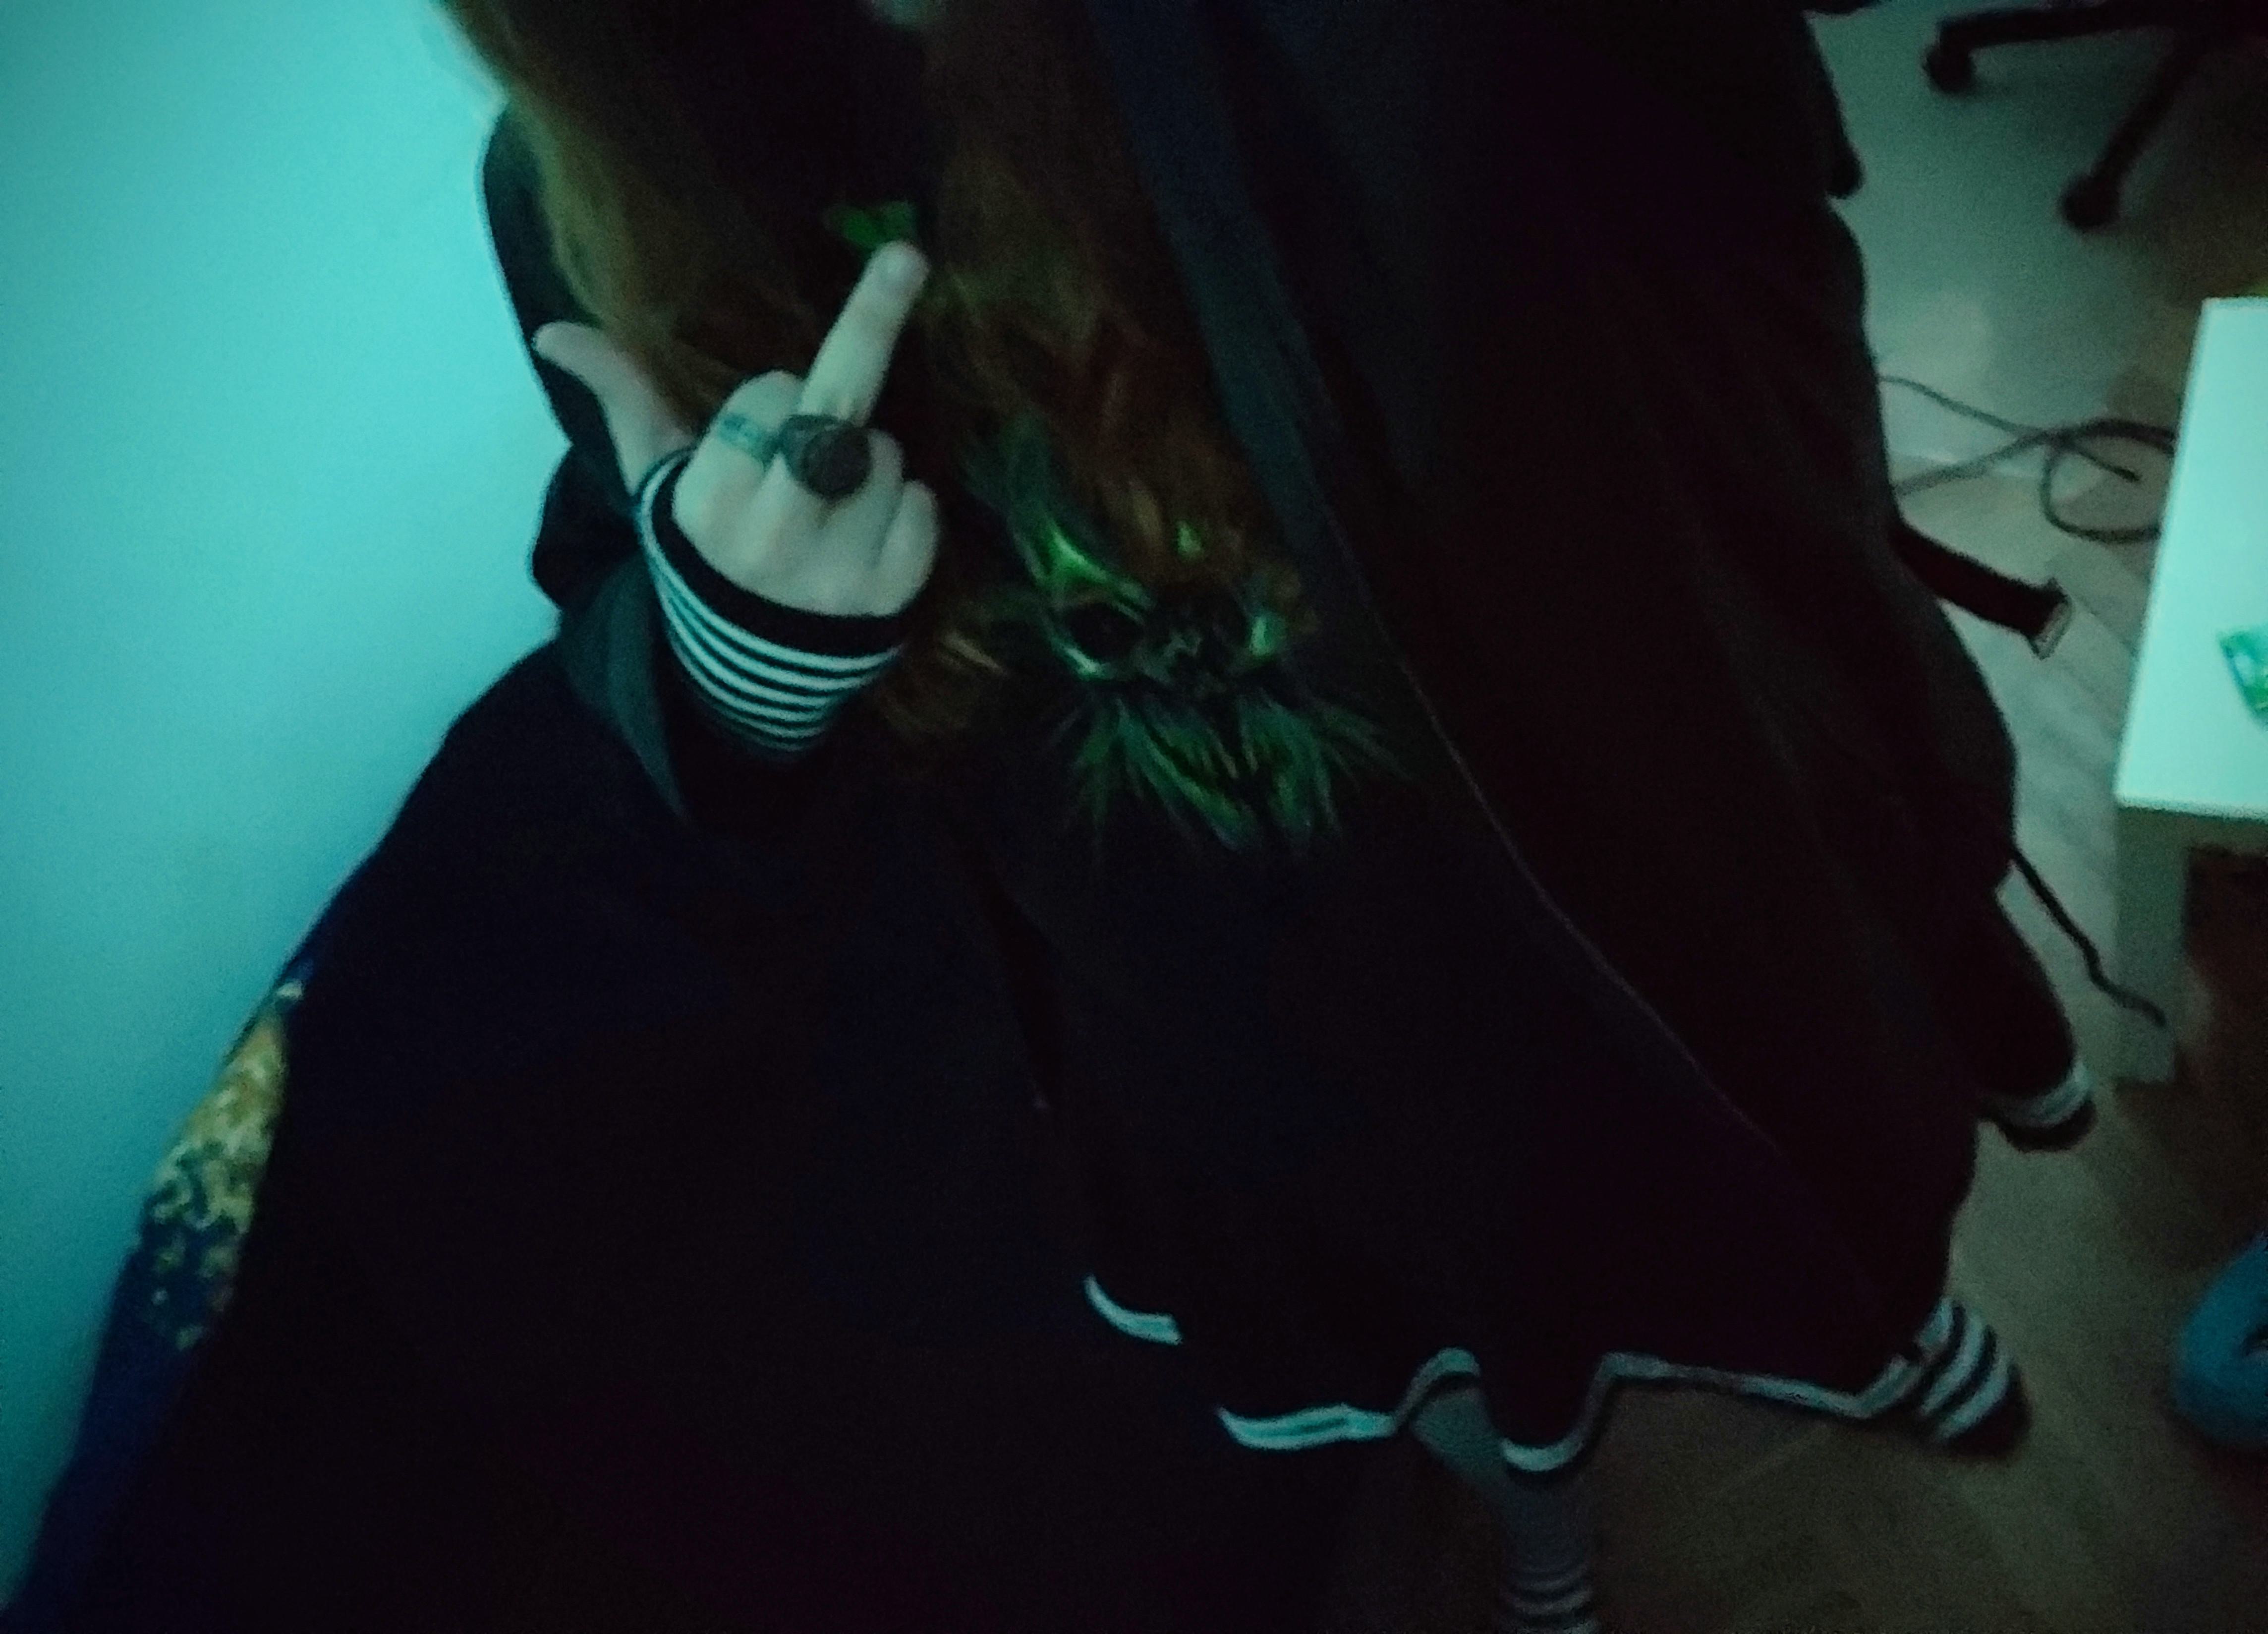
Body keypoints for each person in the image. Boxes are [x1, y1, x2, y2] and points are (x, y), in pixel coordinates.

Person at [43, 1, 2113, 1630]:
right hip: (1225, 1011)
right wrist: (730, 655)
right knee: (1479, 1323)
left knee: (1786, 1144)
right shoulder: (602, 180)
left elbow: (1738, 145)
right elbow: (634, 575)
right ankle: (1548, 1548)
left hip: (1639, 852)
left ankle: (1878, 1318)